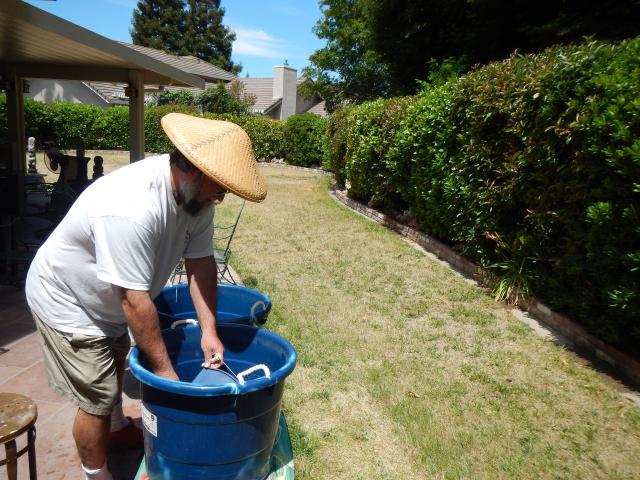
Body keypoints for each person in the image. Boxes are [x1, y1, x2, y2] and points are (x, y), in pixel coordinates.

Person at [25, 113, 267, 480]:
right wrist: (168, 377)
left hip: (110, 299)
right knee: (96, 398)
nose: (221, 196)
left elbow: (201, 263)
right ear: (192, 169)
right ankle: (96, 473)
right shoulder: (129, 207)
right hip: (69, 301)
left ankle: (117, 428)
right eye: (219, 187)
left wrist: (209, 331)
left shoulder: (196, 199)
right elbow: (134, 302)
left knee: (116, 361)